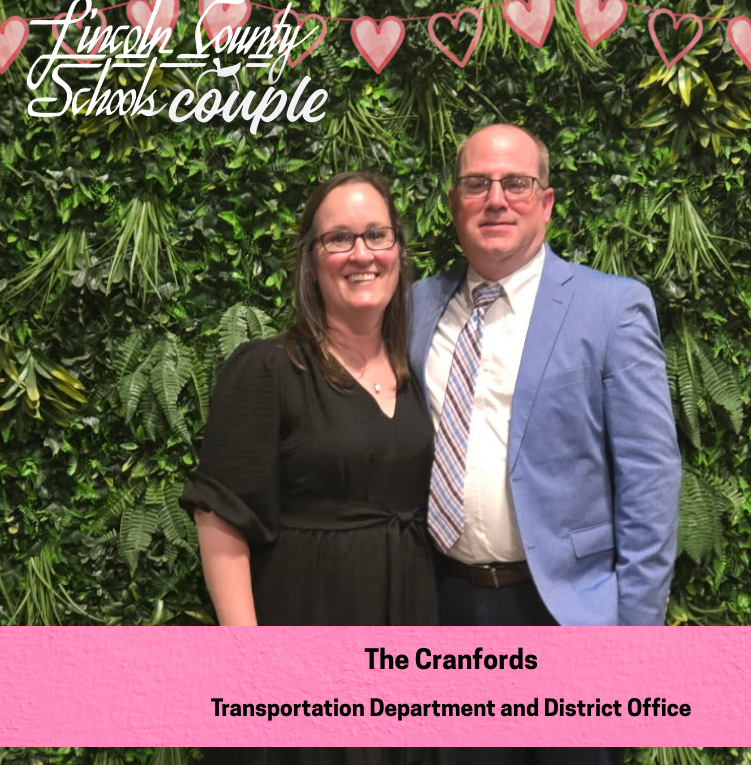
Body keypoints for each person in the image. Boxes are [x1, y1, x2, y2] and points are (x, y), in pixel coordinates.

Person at [409, 124, 679, 765]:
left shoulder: (611, 307)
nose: (495, 199)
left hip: (569, 616)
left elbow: (650, 480)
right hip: (445, 608)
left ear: (547, 201)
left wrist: (632, 648)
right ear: (454, 203)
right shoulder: (416, 306)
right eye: (477, 184)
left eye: (516, 184)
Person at [180, 171, 439, 628]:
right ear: (312, 262)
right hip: (307, 618)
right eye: (339, 238)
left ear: (397, 249)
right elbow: (220, 516)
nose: (363, 254)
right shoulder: (268, 369)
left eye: (377, 235)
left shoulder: (416, 371)